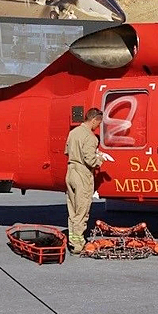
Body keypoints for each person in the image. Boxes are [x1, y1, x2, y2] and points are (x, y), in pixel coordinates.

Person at [64, 108, 112, 254]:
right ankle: (78, 245)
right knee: (82, 212)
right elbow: (90, 160)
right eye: (98, 123)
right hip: (82, 174)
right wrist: (101, 158)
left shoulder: (73, 133)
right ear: (94, 120)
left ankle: (73, 240)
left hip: (71, 171)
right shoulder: (91, 137)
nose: (98, 126)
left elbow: (67, 151)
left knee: (72, 211)